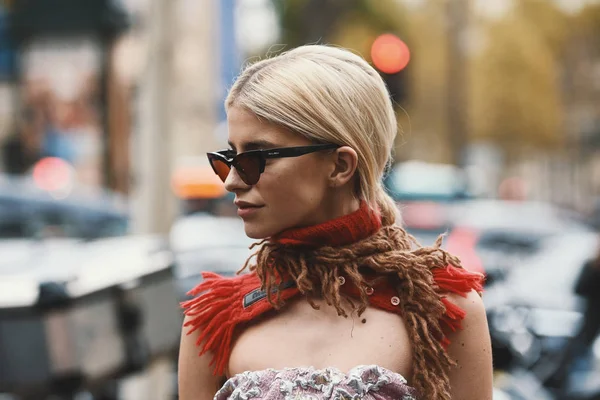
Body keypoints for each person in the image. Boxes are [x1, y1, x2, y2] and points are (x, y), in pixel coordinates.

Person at [178, 45, 493, 400]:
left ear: (341, 166)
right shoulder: (213, 320)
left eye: (256, 157)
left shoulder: (442, 309)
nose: (232, 181)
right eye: (229, 157)